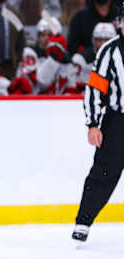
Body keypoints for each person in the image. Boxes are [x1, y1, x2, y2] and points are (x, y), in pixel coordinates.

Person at [72, 3, 124, 243]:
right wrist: (93, 123)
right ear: (119, 22)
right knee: (103, 173)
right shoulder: (109, 52)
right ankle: (83, 221)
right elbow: (94, 89)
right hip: (117, 121)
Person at [10, 16, 62, 94]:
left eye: (50, 35)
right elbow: (39, 83)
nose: (47, 39)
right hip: (33, 99)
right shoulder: (29, 54)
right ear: (38, 37)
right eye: (43, 35)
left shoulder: (63, 56)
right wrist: (53, 59)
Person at [72, 22, 116, 93]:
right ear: (94, 41)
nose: (103, 44)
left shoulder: (120, 60)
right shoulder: (83, 59)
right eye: (100, 40)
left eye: (107, 40)